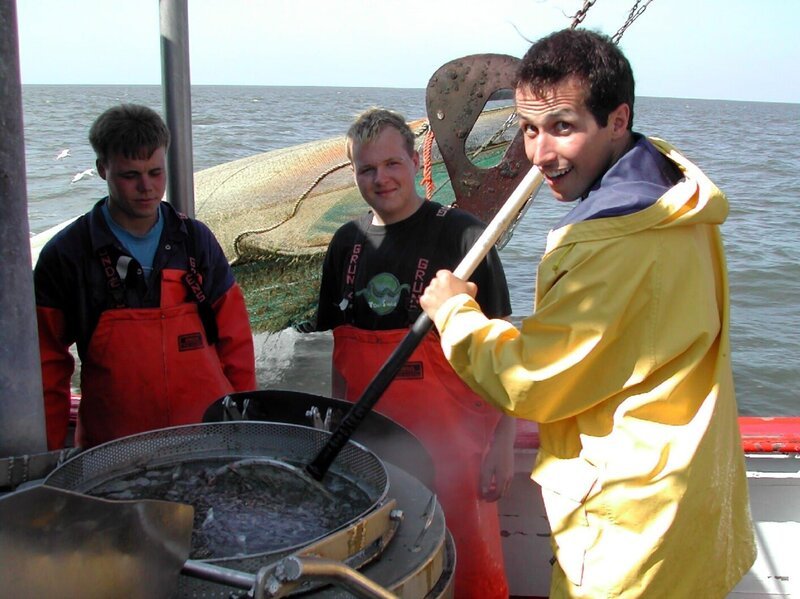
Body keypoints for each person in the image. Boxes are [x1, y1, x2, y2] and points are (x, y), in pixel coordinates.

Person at [420, 29, 757, 599]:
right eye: (530, 128)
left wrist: (455, 314)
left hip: (633, 528)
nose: (539, 153)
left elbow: (531, 381)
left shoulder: (608, 241)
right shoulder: (675, 197)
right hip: (694, 500)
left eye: (563, 127)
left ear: (617, 119)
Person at [314, 107, 514, 598]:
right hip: (369, 449)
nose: (380, 178)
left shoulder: (465, 237)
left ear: (415, 162)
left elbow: (505, 349)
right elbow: (342, 356)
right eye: (367, 169)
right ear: (354, 174)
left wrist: (504, 443)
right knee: (379, 571)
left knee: (467, 567)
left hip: (455, 451)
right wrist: (335, 433)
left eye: (392, 164)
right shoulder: (345, 244)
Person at [34, 104, 256, 449]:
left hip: (208, 441)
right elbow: (45, 366)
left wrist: (247, 428)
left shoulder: (195, 241)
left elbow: (236, 342)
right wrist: (46, 455)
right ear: (102, 169)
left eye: (156, 172)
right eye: (130, 175)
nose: (147, 187)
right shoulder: (67, 254)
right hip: (112, 450)